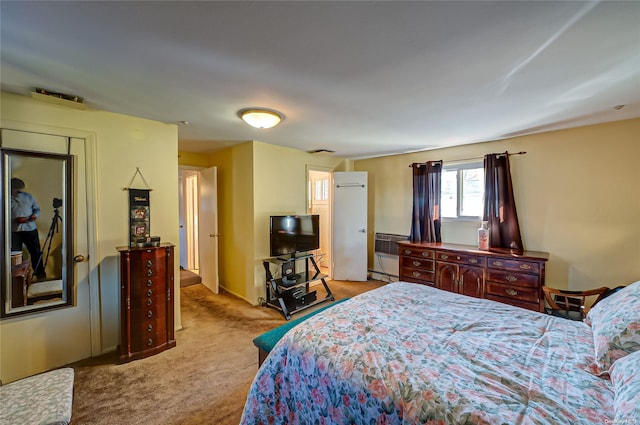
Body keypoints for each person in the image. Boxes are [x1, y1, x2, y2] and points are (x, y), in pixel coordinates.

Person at [10, 177, 46, 279]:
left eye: (17, 188)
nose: (15, 190)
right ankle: (17, 279)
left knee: (36, 252)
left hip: (30, 229)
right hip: (14, 231)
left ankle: (40, 275)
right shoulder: (4, 197)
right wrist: (14, 220)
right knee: (15, 255)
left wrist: (35, 216)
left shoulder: (28, 197)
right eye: (13, 188)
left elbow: (37, 209)